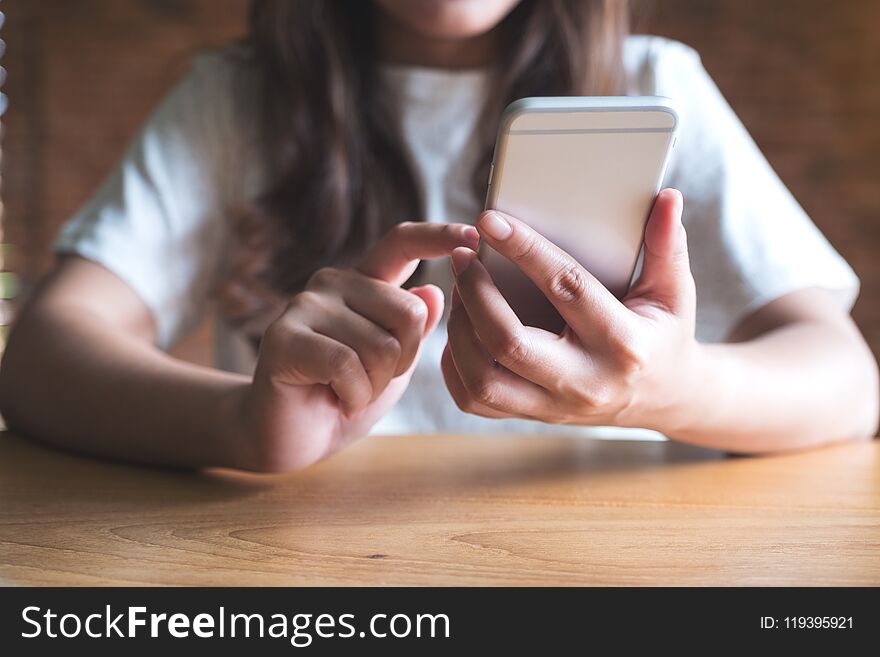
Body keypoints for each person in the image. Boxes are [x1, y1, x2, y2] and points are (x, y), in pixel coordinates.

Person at [0, 0, 876, 472]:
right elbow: (42, 355)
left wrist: (666, 390)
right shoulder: (236, 99)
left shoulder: (656, 82)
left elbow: (846, 383)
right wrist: (239, 425)